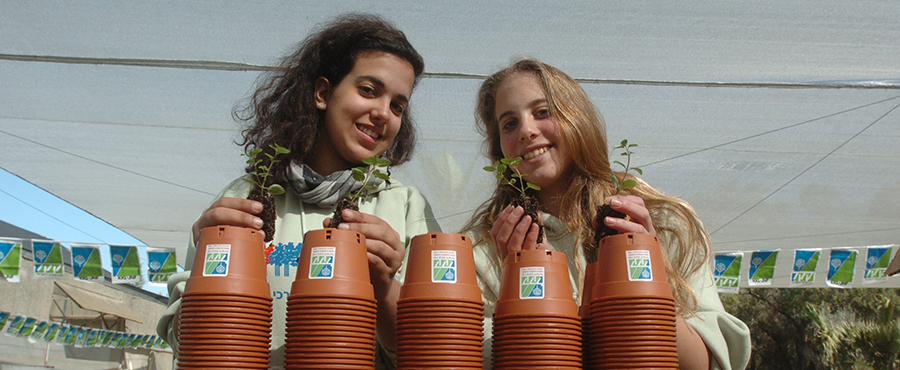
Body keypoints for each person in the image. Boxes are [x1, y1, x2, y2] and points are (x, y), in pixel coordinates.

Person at [156, 13, 441, 369]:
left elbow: (433, 349)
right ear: (323, 93)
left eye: (397, 105)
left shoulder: (406, 206)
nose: (383, 112)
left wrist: (383, 287)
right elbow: (184, 341)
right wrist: (209, 278)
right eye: (368, 90)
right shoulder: (247, 198)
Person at [461, 59, 751, 370]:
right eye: (509, 123)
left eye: (543, 112)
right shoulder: (479, 252)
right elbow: (461, 352)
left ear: (577, 117)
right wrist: (527, 281)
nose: (526, 131)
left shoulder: (664, 224)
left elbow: (709, 362)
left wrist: (642, 278)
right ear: (499, 149)